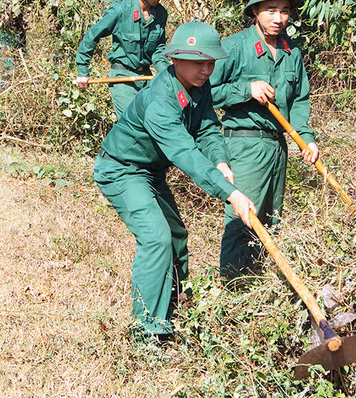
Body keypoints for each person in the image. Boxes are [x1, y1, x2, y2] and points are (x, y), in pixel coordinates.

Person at [94, 21, 256, 341]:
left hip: (150, 171)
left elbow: (208, 128)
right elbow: (185, 153)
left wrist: (220, 160)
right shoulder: (160, 102)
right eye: (198, 62)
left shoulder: (199, 85)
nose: (206, 70)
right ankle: (148, 333)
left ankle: (178, 305)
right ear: (175, 60)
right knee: (156, 238)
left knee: (176, 234)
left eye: (210, 62)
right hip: (121, 170)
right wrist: (230, 193)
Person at [209, 0, 320, 279]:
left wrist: (306, 140)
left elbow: (299, 101)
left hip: (277, 147)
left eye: (284, 11)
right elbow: (205, 92)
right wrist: (246, 89)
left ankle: (258, 288)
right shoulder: (234, 46)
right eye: (271, 10)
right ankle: (233, 290)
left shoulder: (291, 52)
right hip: (244, 145)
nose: (279, 18)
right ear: (255, 10)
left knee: (271, 223)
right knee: (244, 220)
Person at [74, 0, 171, 118]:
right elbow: (92, 36)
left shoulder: (161, 14)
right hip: (122, 76)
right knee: (131, 123)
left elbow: (158, 48)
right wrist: (82, 71)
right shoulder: (120, 11)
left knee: (154, 120)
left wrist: (164, 72)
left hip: (145, 76)